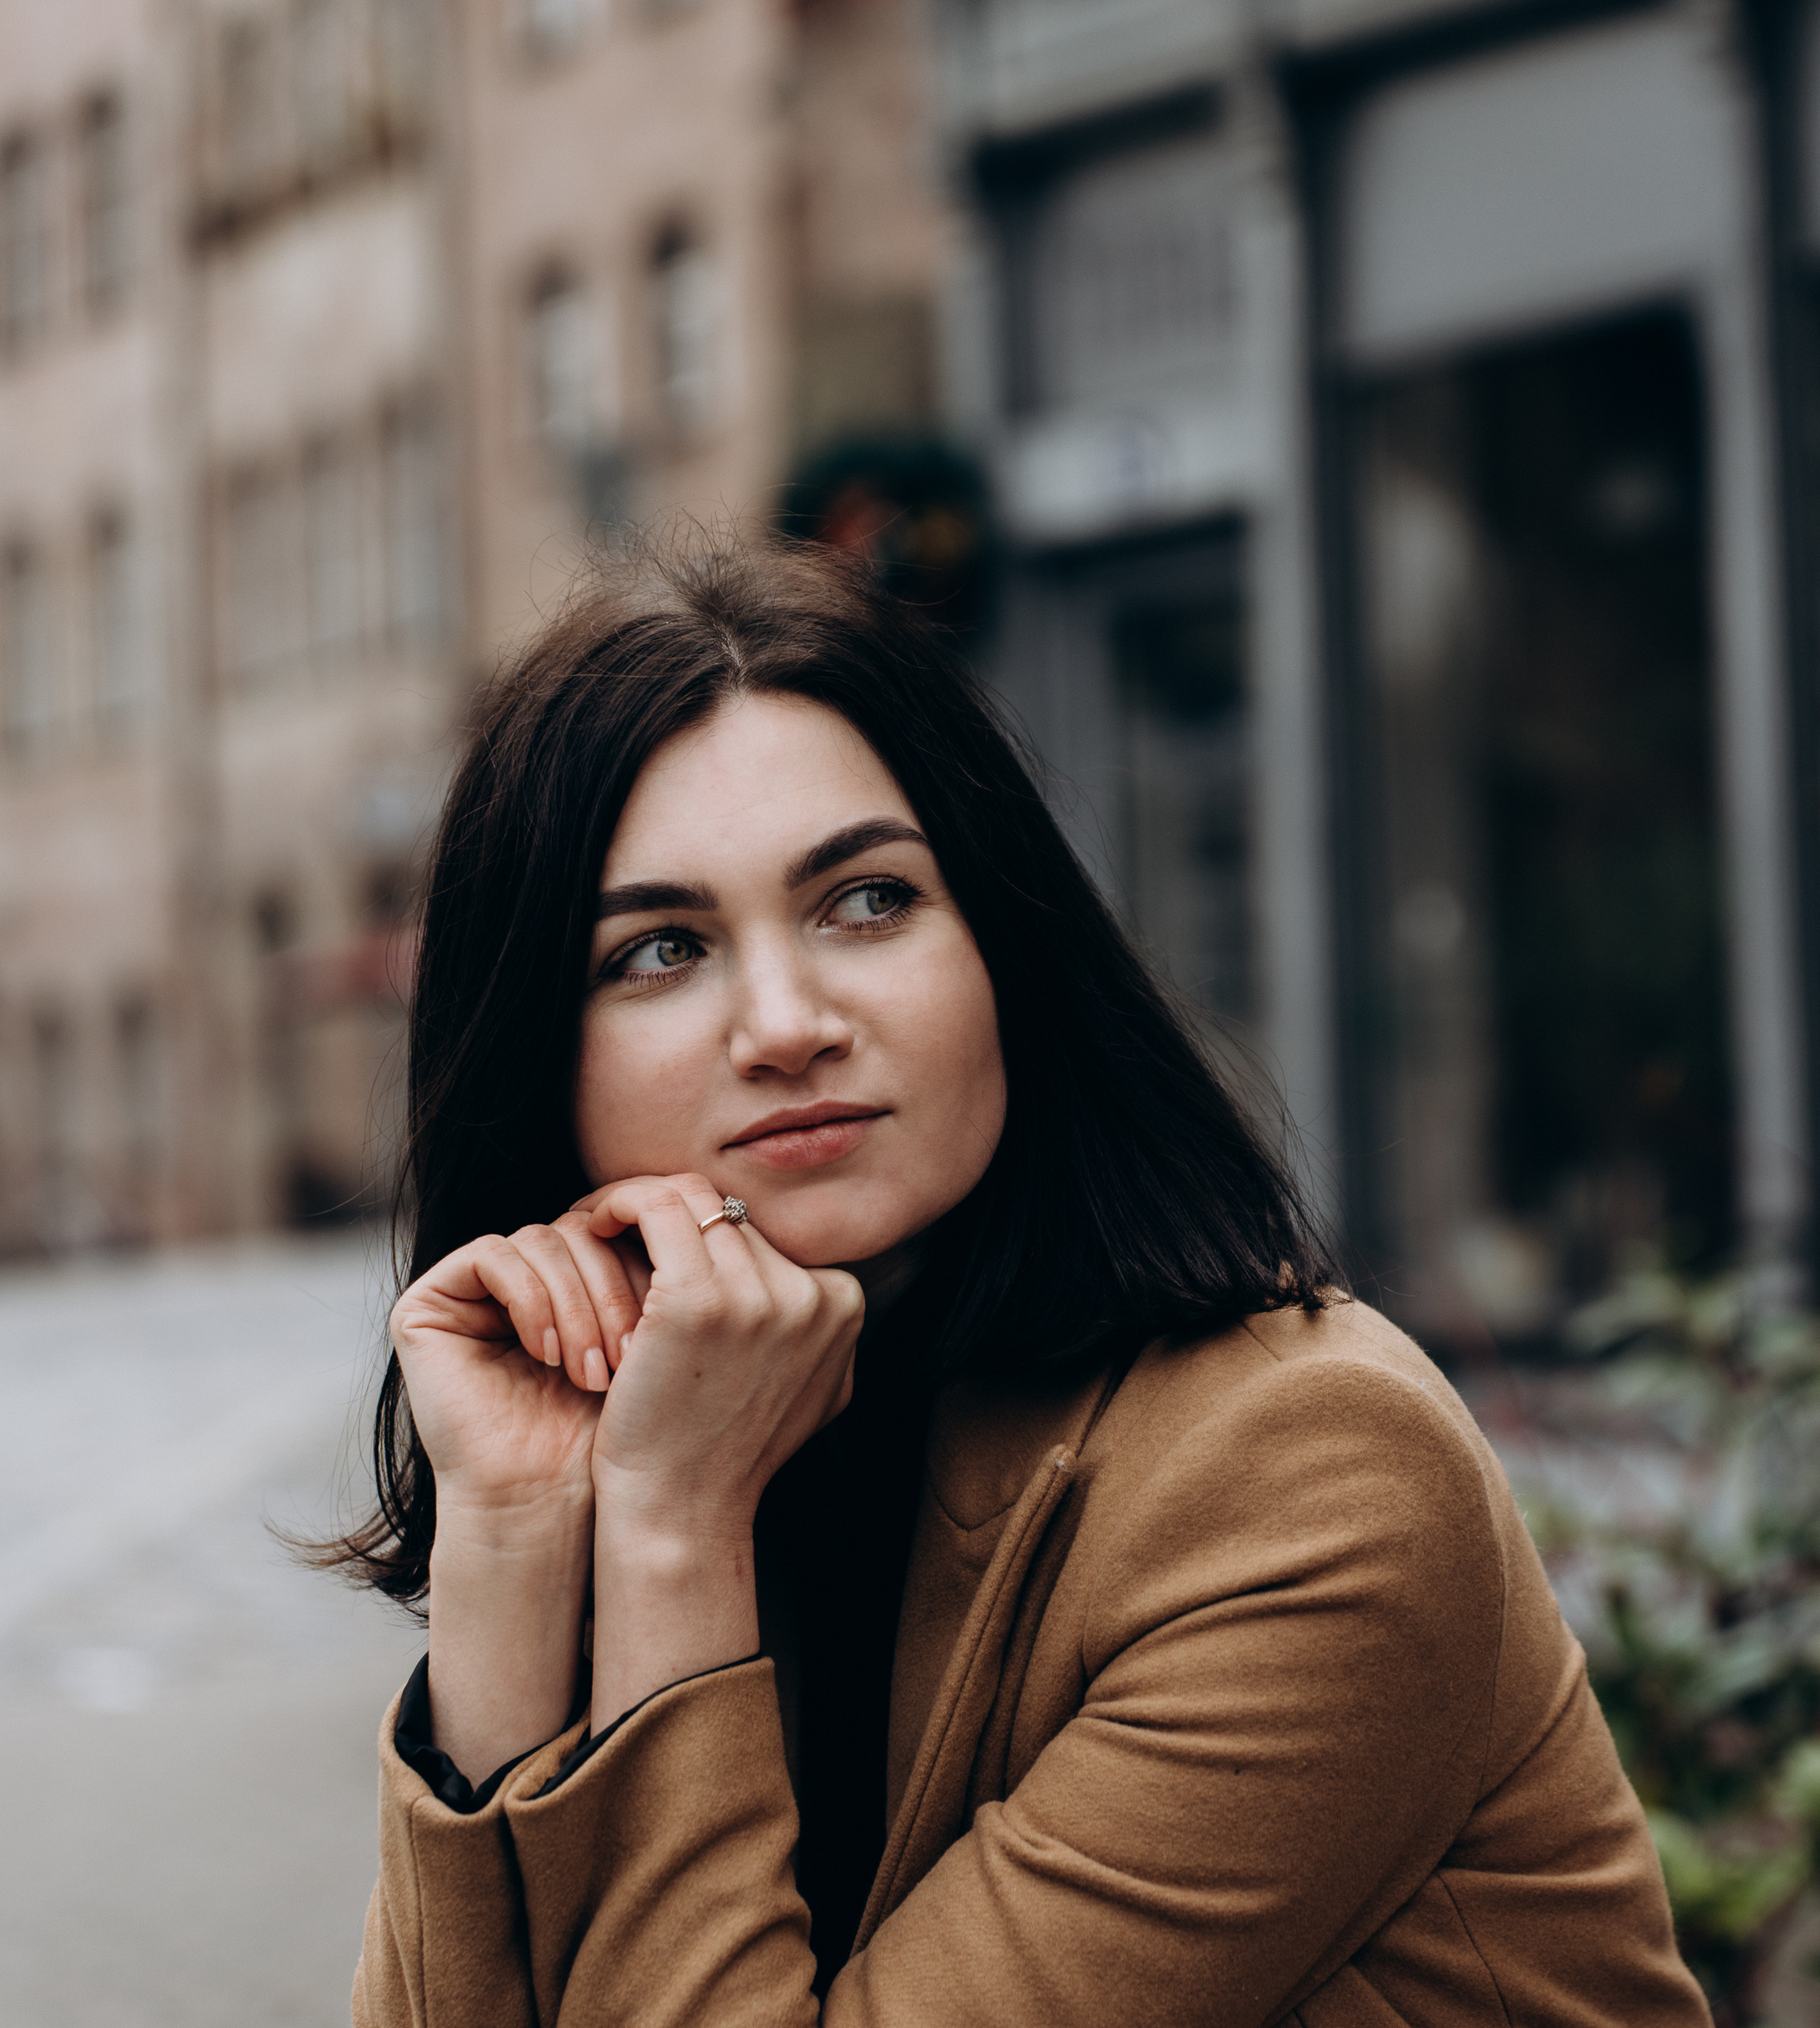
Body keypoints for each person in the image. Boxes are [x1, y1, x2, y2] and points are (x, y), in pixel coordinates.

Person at [323, 537, 1711, 2026]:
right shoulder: (687, 1432)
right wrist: (518, 1540)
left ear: (1004, 951)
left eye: (866, 901)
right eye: (662, 950)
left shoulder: (1307, 1480)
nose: (787, 1023)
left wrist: (670, 1526)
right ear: (540, 1066)